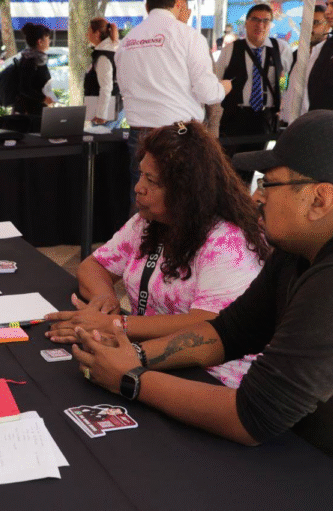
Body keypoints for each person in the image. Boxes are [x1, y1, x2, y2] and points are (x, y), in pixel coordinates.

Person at [71, 110, 333, 502]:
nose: (257, 196)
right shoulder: (305, 243)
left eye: (270, 184)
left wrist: (131, 378)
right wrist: (133, 354)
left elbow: (253, 416)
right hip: (306, 449)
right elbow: (227, 332)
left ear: (320, 198)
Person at [46, 120, 269, 387]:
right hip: (149, 357)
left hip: (212, 378)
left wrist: (118, 326)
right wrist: (104, 299)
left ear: (186, 192)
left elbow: (208, 326)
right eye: (140, 174)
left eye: (152, 180)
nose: (139, 187)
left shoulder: (227, 241)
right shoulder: (148, 222)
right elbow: (94, 266)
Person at [115, 0, 231, 204]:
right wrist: (224, 87)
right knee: (181, 205)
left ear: (147, 6)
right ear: (178, 3)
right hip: (177, 135)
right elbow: (208, 93)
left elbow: (124, 88)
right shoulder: (189, 36)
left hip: (139, 133)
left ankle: (140, 237)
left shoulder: (127, 41)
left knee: (143, 202)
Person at [214, 3, 293, 180]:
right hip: (234, 117)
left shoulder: (281, 49)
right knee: (228, 168)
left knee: (252, 167)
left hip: (263, 119)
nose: (260, 25)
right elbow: (216, 82)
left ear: (271, 24)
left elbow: (290, 82)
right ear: (246, 23)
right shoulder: (231, 49)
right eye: (255, 20)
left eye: (266, 21)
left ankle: (246, 202)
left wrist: (284, 105)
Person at [84, 18, 122, 128]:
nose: (87, 34)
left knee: (100, 143)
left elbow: (106, 87)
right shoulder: (112, 50)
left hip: (104, 113)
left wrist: (101, 114)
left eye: (89, 31)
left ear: (97, 33)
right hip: (114, 107)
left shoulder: (103, 56)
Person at [13, 23, 55, 116]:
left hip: (37, 110)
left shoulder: (38, 59)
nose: (49, 41)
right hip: (29, 113)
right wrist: (43, 98)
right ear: (40, 41)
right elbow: (24, 88)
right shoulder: (30, 61)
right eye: (47, 38)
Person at [290, 5, 330, 69]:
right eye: (305, 23)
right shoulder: (295, 55)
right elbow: (284, 77)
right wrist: (282, 78)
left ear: (328, 26)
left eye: (315, 22)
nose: (309, 27)